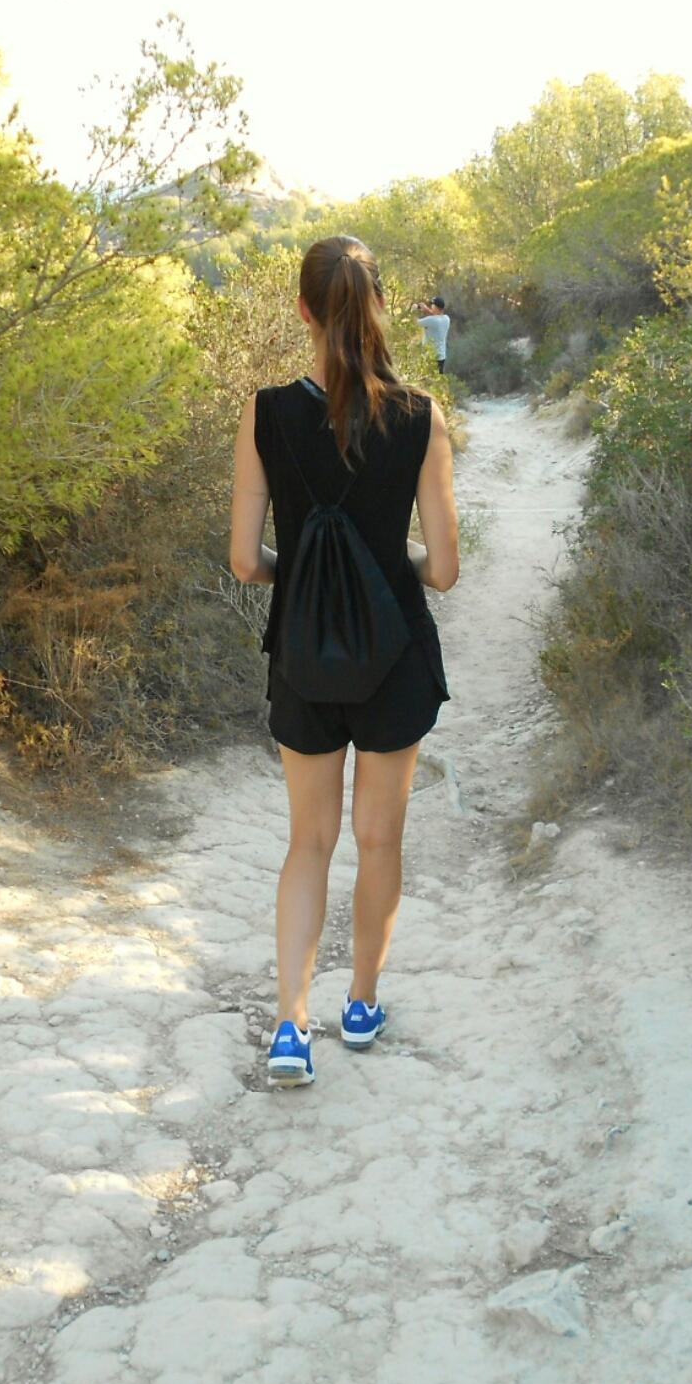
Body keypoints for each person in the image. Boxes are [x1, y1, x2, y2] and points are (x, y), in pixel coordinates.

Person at [228, 236, 460, 1087]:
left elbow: (244, 561)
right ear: (381, 307)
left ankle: (291, 1027)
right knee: (379, 838)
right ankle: (361, 1005)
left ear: (303, 311)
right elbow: (445, 569)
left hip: (303, 656)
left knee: (310, 842)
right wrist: (382, 566)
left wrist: (306, 575)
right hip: (395, 656)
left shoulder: (264, 414)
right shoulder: (423, 417)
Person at [414, 296, 451, 373]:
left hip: (430, 357)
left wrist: (413, 310)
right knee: (438, 378)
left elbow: (415, 322)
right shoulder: (446, 319)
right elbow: (437, 316)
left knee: (426, 377)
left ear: (436, 307)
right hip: (441, 356)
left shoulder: (432, 320)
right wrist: (426, 309)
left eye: (432, 305)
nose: (431, 306)